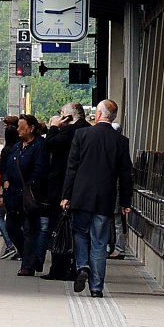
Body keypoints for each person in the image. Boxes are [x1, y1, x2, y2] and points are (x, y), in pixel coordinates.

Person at [60, 99, 133, 297]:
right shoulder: (121, 141)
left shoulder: (82, 134)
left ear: (99, 115)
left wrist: (66, 195)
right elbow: (126, 174)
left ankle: (83, 266)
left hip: (81, 196)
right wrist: (126, 202)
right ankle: (96, 288)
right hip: (105, 199)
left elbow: (72, 168)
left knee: (80, 233)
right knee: (100, 242)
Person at [41, 102, 90, 280]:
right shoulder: (88, 129)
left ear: (68, 117)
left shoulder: (70, 131)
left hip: (62, 188)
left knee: (59, 228)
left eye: (61, 114)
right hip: (81, 189)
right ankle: (77, 267)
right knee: (79, 231)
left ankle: (59, 269)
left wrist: (53, 127)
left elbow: (50, 145)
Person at [2, 113, 49, 274]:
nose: (18, 130)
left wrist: (31, 186)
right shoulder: (16, 146)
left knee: (30, 230)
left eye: (21, 127)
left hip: (30, 196)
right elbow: (6, 167)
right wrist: (5, 180)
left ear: (31, 128)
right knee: (11, 227)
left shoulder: (40, 146)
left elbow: (40, 169)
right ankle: (32, 256)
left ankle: (27, 266)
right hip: (14, 195)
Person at [0, 116, 20, 260]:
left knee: (0, 216)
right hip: (18, 190)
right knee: (16, 220)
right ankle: (18, 249)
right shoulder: (20, 149)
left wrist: (1, 194)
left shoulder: (6, 151)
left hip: (7, 190)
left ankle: (10, 245)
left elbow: (4, 173)